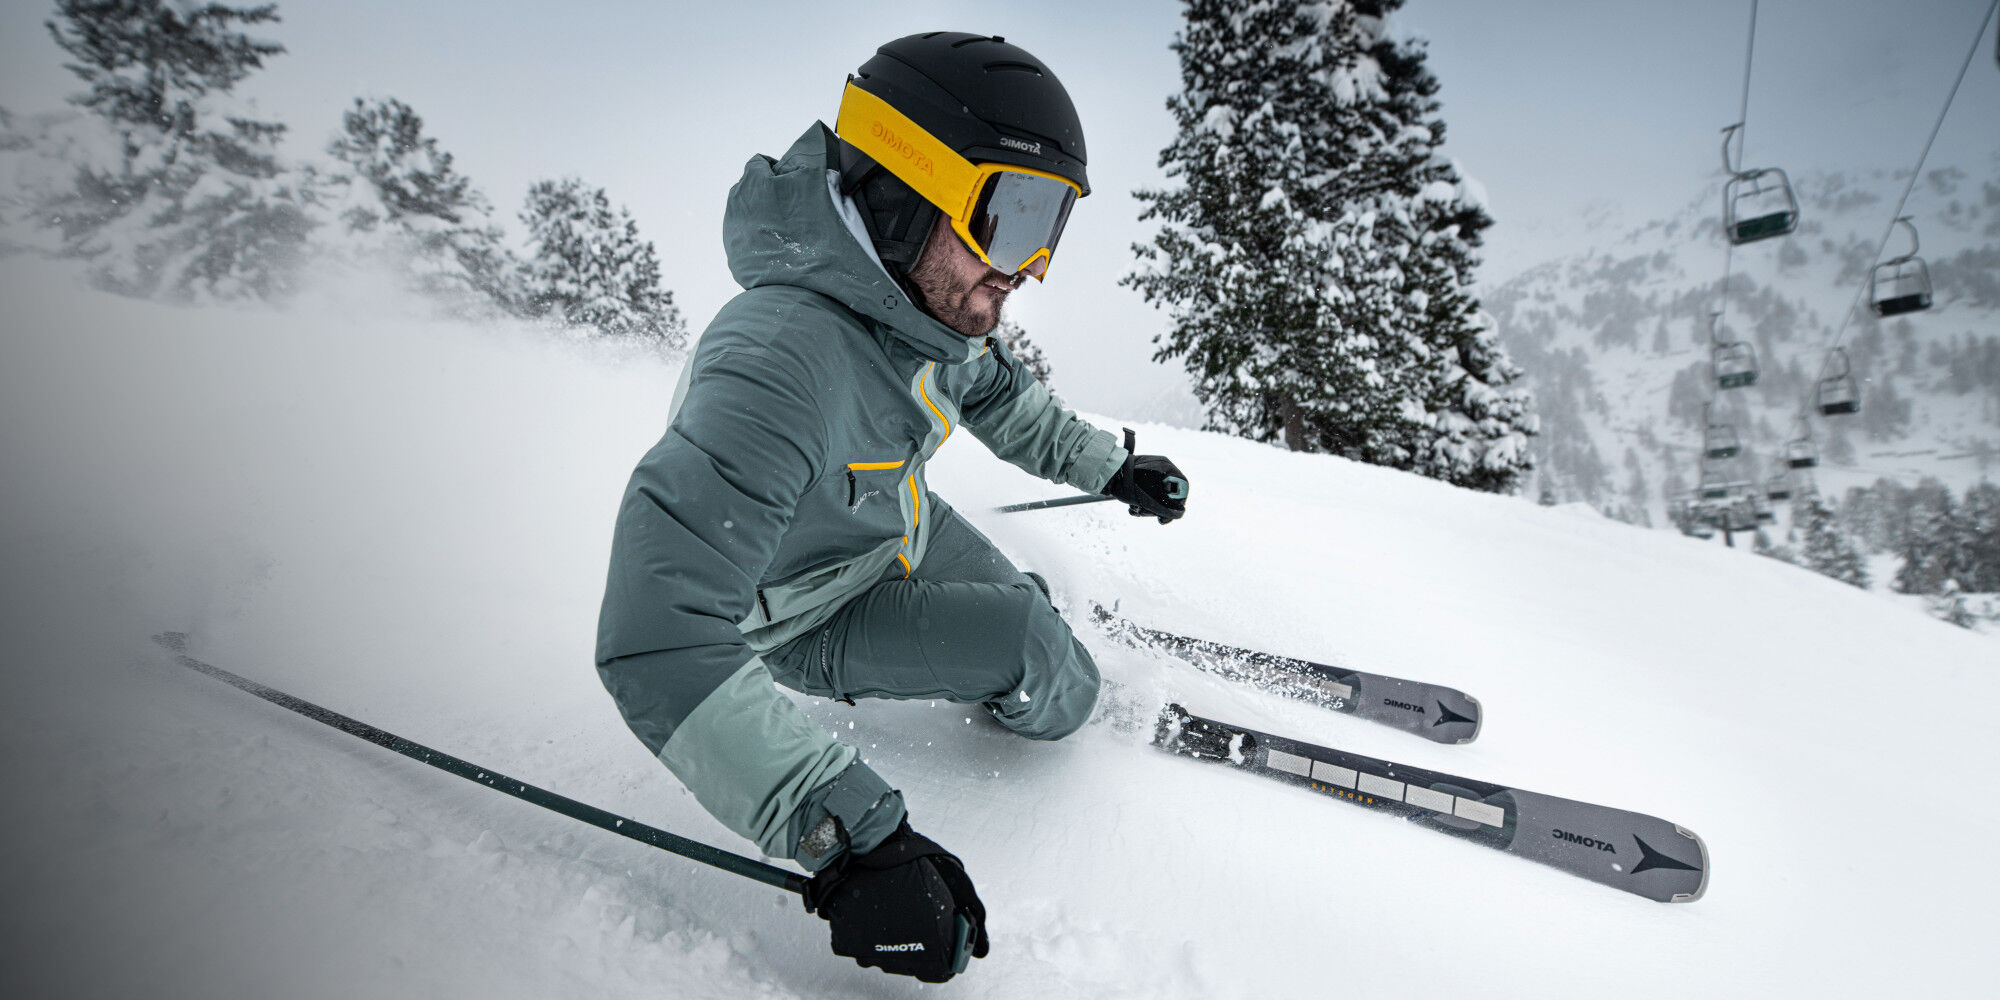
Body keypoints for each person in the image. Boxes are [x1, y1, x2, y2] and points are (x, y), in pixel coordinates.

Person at [594, 32, 1188, 983]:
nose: (1027, 265)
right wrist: (851, 836)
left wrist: (1107, 468)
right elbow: (656, 637)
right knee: (1038, 649)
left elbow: (999, 394)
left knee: (1018, 619)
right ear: (906, 190)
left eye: (1052, 225)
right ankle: (1045, 680)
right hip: (812, 612)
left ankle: (1007, 648)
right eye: (1010, 216)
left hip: (890, 532)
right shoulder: (778, 360)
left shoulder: (926, 308)